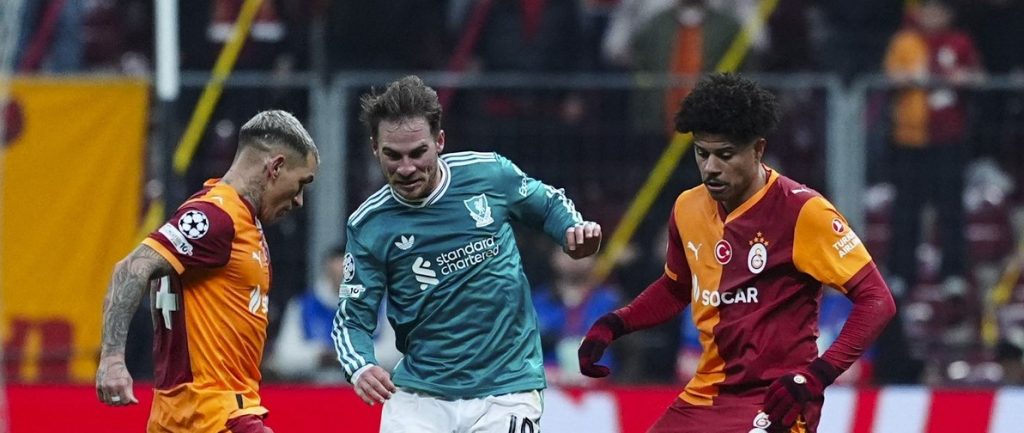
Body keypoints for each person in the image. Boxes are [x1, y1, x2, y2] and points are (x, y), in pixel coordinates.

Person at [577, 73, 896, 433]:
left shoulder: (803, 212)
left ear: (758, 149)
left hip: (777, 399)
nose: (711, 168)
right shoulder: (687, 207)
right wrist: (614, 324)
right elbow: (677, 287)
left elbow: (877, 299)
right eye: (702, 153)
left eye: (725, 155)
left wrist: (817, 375)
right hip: (706, 396)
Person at [334, 75, 602, 433]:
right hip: (420, 395)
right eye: (393, 156)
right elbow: (352, 318)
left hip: (506, 387)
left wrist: (573, 230)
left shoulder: (489, 174)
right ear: (374, 148)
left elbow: (549, 204)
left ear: (439, 141)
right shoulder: (369, 224)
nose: (406, 168)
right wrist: (361, 366)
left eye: (418, 153)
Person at [95, 110, 319, 433]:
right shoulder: (218, 217)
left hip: (190, 413)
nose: (299, 200)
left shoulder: (237, 219)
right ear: (276, 167)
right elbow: (131, 269)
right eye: (301, 184)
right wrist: (113, 359)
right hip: (212, 413)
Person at [268, 246, 400, 383]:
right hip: (314, 387)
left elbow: (394, 355)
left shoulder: (381, 307)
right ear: (327, 271)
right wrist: (319, 356)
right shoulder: (302, 306)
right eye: (338, 273)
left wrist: (349, 356)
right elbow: (284, 357)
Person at [532, 245, 621, 386]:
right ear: (553, 257)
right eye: (568, 250)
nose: (575, 257)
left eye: (584, 250)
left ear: (595, 258)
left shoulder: (612, 301)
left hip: (603, 387)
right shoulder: (535, 302)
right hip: (547, 386)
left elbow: (627, 350)